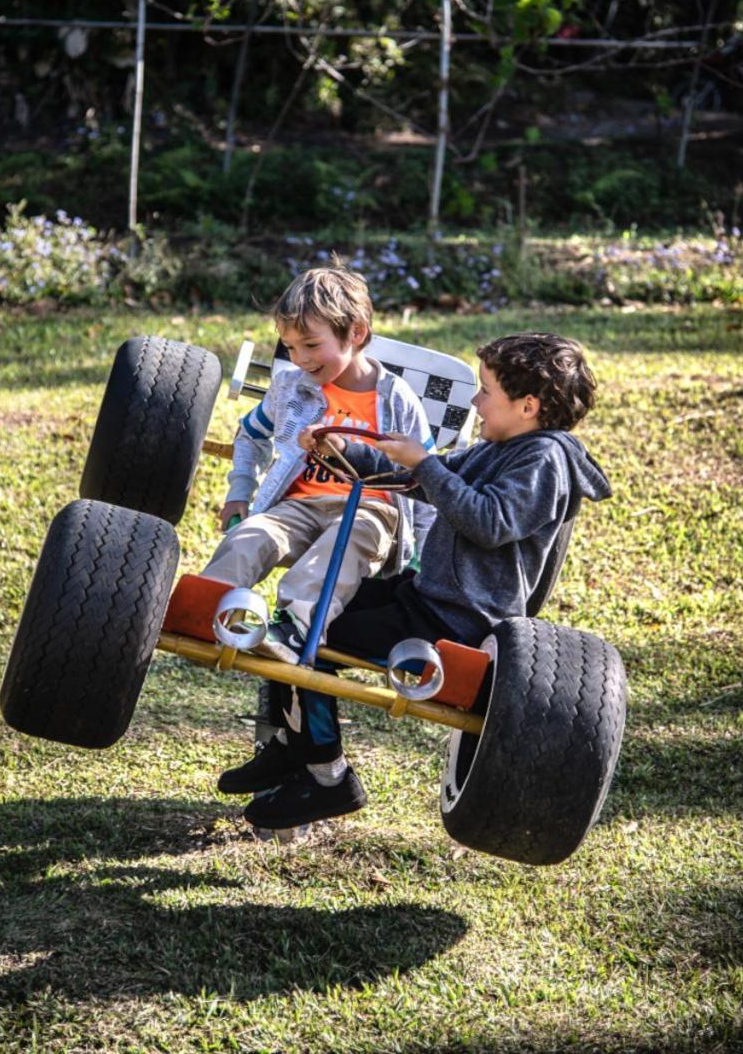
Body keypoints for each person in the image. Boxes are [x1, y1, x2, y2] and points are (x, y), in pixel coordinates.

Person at [223, 331, 612, 832]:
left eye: (487, 391)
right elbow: (415, 482)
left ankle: (326, 776)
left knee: (312, 632)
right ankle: (293, 746)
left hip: (460, 618)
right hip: (426, 596)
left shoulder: (544, 462)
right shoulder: (501, 446)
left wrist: (425, 464)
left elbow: (489, 522)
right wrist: (348, 452)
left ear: (528, 406)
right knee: (303, 610)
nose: (475, 401)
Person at [203, 260, 434, 673]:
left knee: (337, 550)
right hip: (299, 505)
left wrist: (423, 557)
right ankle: (206, 608)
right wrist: (241, 490)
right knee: (251, 536)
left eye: (311, 345)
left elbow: (430, 478)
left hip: (370, 511)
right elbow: (251, 435)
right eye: (289, 347)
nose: (299, 358)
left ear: (357, 333)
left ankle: (293, 628)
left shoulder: (397, 400)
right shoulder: (291, 388)